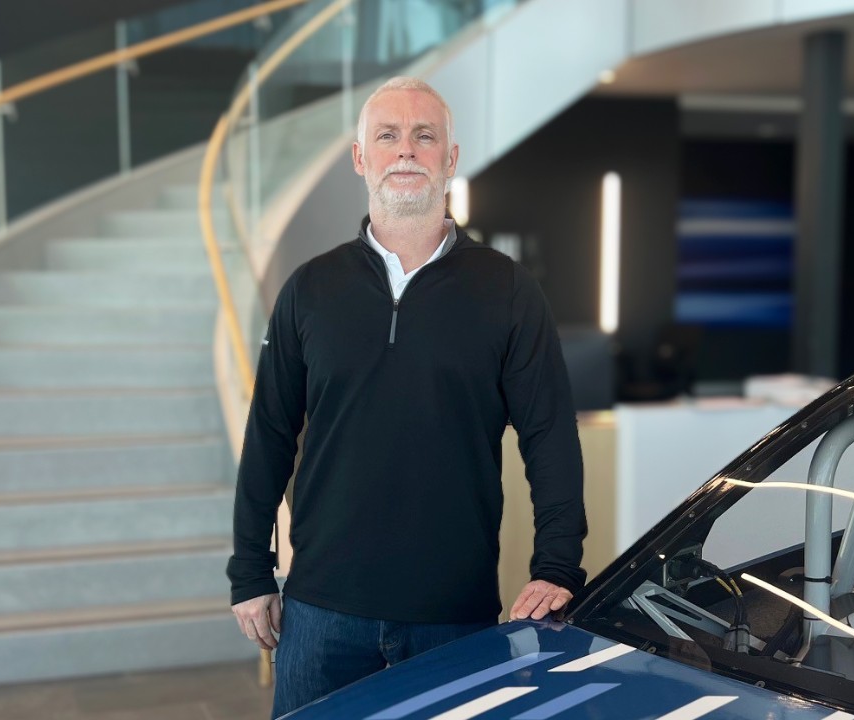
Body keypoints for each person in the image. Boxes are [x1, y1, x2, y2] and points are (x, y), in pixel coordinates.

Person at [226, 76, 587, 719]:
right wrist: (250, 571)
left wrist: (557, 566)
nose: (406, 151)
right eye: (387, 136)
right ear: (362, 158)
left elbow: (550, 438)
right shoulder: (309, 290)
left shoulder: (507, 291)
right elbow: (270, 436)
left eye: (425, 137)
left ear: (450, 159)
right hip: (320, 614)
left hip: (455, 617)